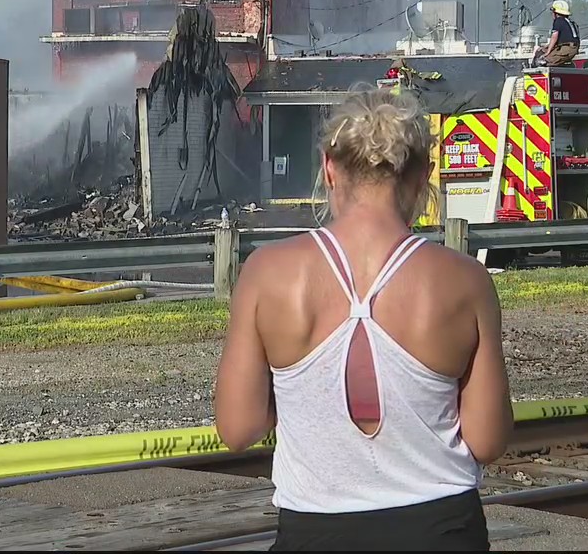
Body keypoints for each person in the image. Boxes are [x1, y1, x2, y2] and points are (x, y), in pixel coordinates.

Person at [214, 87, 512, 551]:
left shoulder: (266, 275)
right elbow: (488, 440)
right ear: (422, 177)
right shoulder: (465, 281)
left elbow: (237, 428)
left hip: (315, 531)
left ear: (329, 168)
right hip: (441, 529)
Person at [540, 0, 580, 66]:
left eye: (553, 12)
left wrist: (548, 52)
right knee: (541, 51)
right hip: (568, 48)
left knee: (543, 61)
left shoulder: (558, 21)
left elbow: (554, 37)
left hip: (566, 49)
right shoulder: (570, 22)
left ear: (556, 13)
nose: (552, 14)